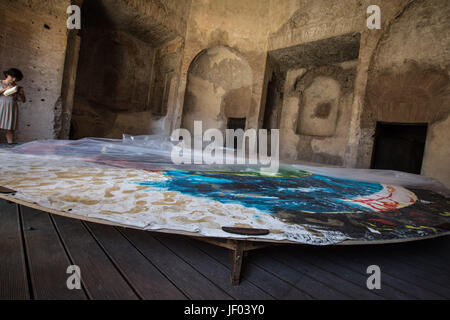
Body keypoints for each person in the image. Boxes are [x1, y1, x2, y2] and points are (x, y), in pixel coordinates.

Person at [0, 68, 25, 144]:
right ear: (7, 75)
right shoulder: (0, 82)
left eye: (16, 79)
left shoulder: (16, 87)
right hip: (0, 105)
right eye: (13, 77)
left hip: (11, 107)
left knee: (10, 128)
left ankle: (10, 144)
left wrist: (18, 94)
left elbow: (23, 100)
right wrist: (5, 89)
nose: (14, 80)